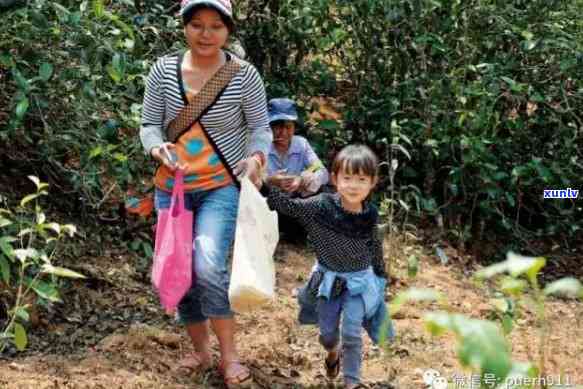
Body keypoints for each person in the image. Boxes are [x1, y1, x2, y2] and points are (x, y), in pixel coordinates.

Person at [139, 0, 271, 386]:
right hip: (173, 188)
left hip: (219, 187)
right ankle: (200, 352)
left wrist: (257, 157)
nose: (206, 34)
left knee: (209, 265)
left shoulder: (243, 75)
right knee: (181, 271)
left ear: (229, 29)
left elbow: (260, 127)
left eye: (216, 25)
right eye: (197, 24)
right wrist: (156, 147)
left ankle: (229, 358)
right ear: (184, 27)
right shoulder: (163, 72)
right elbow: (149, 124)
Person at [260, 145, 395, 388]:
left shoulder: (370, 214)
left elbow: (375, 246)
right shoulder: (321, 206)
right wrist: (264, 185)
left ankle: (351, 382)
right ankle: (333, 353)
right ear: (334, 179)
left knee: (353, 332)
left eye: (362, 179)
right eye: (347, 178)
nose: (354, 185)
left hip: (359, 283)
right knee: (328, 335)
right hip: (328, 281)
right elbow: (291, 207)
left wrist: (380, 278)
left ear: (373, 182)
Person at [266, 98, 329, 197]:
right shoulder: (261, 146)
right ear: (269, 126)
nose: (283, 133)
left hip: (298, 204)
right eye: (278, 127)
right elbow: (248, 181)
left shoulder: (301, 144)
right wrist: (269, 181)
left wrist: (302, 179)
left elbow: (321, 170)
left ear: (294, 127)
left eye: (288, 127)